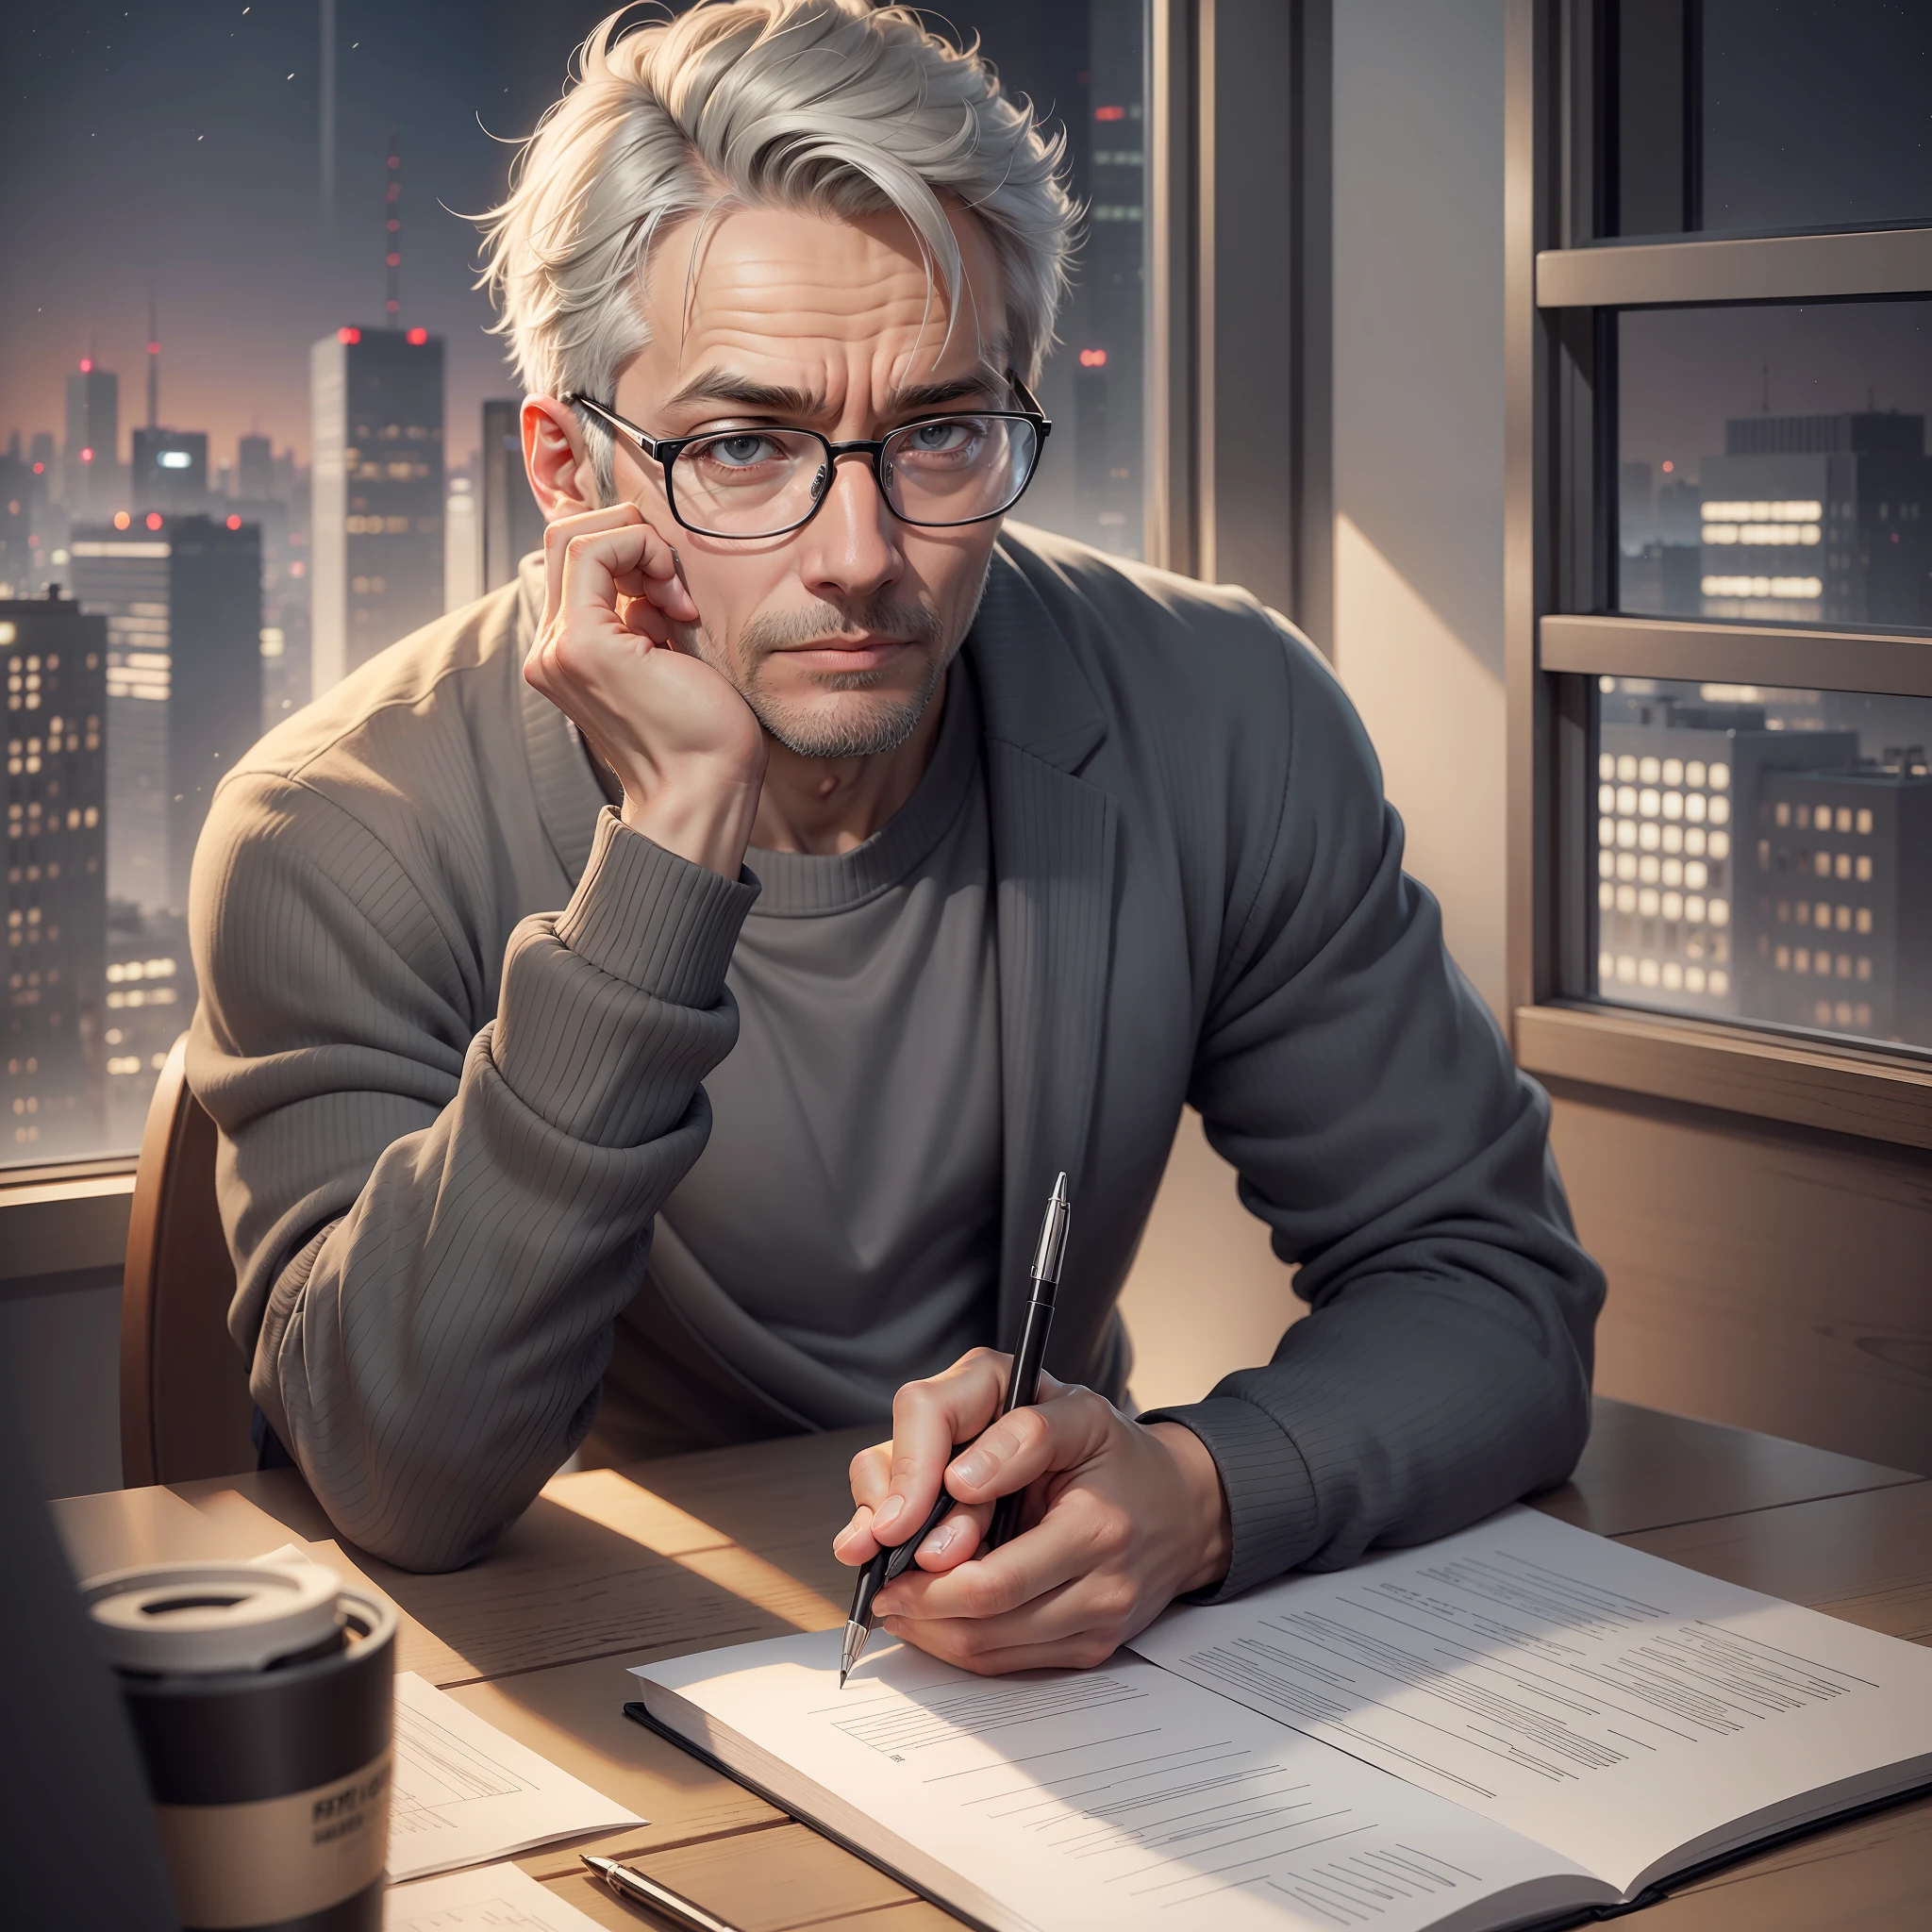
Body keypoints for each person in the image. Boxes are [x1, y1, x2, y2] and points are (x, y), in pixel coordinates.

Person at [189, 0, 1603, 1674]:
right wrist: (669, 847)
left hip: (1081, 1707)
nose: (862, 554)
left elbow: (1495, 1291)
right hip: (583, 1697)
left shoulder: (1226, 713)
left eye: (939, 430)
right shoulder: (336, 826)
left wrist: (1198, 1492)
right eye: (742, 447)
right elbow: (404, 1478)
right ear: (569, 466)